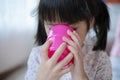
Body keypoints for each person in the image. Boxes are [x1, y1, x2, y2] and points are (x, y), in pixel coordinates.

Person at [25, 0, 112, 80]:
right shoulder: (37, 57)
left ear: (91, 21)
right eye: (52, 28)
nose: (63, 39)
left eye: (72, 29)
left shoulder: (99, 59)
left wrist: (81, 77)